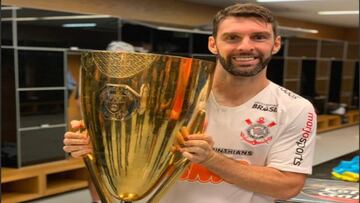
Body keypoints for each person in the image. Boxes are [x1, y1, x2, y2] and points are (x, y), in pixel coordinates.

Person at [63, 3, 317, 203]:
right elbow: (124, 169)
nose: (245, 47)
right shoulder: (165, 96)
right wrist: (98, 152)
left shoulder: (295, 108)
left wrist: (211, 159)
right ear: (212, 44)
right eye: (232, 38)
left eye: (258, 37)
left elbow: (288, 186)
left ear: (275, 44)